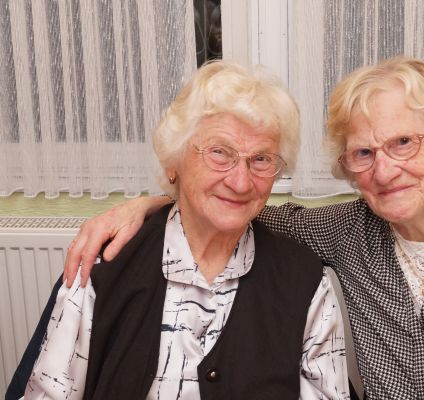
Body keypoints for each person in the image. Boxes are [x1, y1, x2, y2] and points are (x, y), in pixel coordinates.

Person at [62, 56, 424, 399]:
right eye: (363, 153)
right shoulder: (353, 231)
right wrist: (156, 198)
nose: (384, 170)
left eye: (403, 143)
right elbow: (238, 200)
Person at [8, 61, 350, 399]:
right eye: (220, 152)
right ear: (174, 161)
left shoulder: (307, 282)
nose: (241, 182)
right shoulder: (103, 265)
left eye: (261, 159)